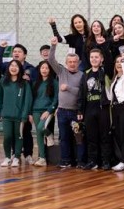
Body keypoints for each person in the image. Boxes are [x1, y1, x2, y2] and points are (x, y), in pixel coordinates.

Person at [0, 41, 37, 164]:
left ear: (25, 55)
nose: (16, 53)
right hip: (8, 112)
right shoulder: (6, 72)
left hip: (23, 111)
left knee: (24, 133)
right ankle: (12, 155)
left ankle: (27, 154)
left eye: (19, 51)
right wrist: (1, 48)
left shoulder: (31, 69)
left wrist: (29, 112)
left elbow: (34, 87)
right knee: (9, 135)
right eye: (14, 51)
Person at [49, 36, 85, 168]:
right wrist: (53, 45)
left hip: (76, 112)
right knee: (64, 137)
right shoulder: (61, 72)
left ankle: (80, 161)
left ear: (78, 63)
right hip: (62, 111)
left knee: (79, 137)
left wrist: (68, 88)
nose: (72, 64)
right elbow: (51, 60)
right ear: (66, 62)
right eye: (70, 61)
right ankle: (66, 160)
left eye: (74, 62)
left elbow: (82, 93)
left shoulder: (82, 75)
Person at [78, 47, 113, 170]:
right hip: (89, 109)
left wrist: (105, 45)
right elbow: (81, 93)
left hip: (103, 108)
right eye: (92, 57)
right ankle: (92, 161)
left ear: (101, 59)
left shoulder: (105, 71)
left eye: (96, 57)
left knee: (104, 136)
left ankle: (105, 161)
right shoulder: (86, 74)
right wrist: (80, 110)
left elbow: (110, 62)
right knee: (91, 137)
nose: (94, 59)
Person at [0, 60, 33, 167]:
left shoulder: (24, 83)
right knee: (7, 136)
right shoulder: (3, 81)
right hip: (6, 115)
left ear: (20, 69)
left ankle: (16, 157)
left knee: (19, 136)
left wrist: (25, 114)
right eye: (11, 65)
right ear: (8, 68)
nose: (13, 68)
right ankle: (7, 157)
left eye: (16, 66)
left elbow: (27, 100)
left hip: (19, 117)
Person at [30, 60, 58, 167]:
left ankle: (49, 134)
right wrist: (30, 112)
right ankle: (42, 158)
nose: (44, 70)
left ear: (50, 70)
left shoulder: (54, 82)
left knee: (41, 128)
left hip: (47, 110)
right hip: (35, 110)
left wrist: (49, 111)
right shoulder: (35, 83)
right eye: (42, 68)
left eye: (46, 68)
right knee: (38, 134)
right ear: (39, 70)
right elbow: (32, 98)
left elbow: (56, 99)